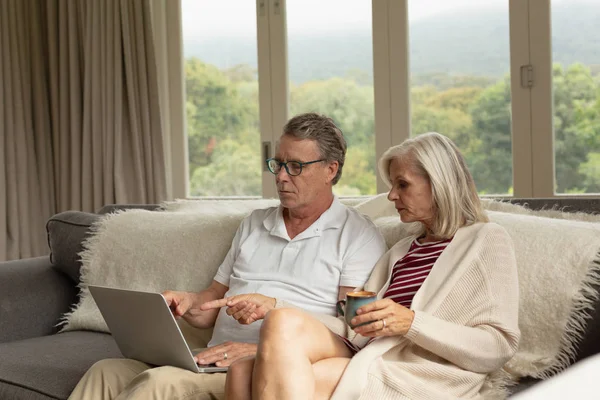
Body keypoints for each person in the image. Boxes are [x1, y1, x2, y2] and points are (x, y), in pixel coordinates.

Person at [67, 113, 387, 400]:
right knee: (104, 372)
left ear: (331, 170)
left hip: (259, 371)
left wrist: (265, 351)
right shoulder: (254, 223)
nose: (281, 177)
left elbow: (351, 333)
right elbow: (212, 303)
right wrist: (187, 304)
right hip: (212, 356)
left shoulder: (356, 235)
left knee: (159, 383)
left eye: (296, 167)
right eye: (277, 164)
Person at [223, 132, 521, 400]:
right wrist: (274, 304)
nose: (392, 196)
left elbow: (498, 347)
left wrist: (411, 322)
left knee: (273, 378)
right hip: (372, 354)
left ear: (439, 184)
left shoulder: (486, 240)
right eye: (393, 185)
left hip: (423, 372)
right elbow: (353, 328)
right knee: (267, 337)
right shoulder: (401, 251)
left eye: (402, 185)